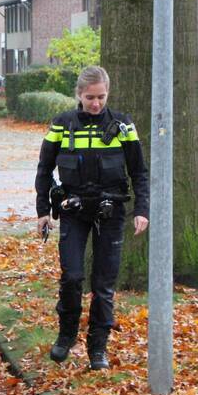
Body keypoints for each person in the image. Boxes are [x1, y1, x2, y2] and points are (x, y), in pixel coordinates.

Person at [35, 65, 150, 370]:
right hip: (73, 212)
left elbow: (139, 171)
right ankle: (66, 335)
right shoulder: (62, 124)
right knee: (72, 277)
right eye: (90, 97)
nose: (96, 103)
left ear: (107, 93)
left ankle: (97, 349)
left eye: (101, 97)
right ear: (79, 95)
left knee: (104, 284)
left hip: (110, 212)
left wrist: (142, 210)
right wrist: (42, 212)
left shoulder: (123, 124)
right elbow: (44, 170)